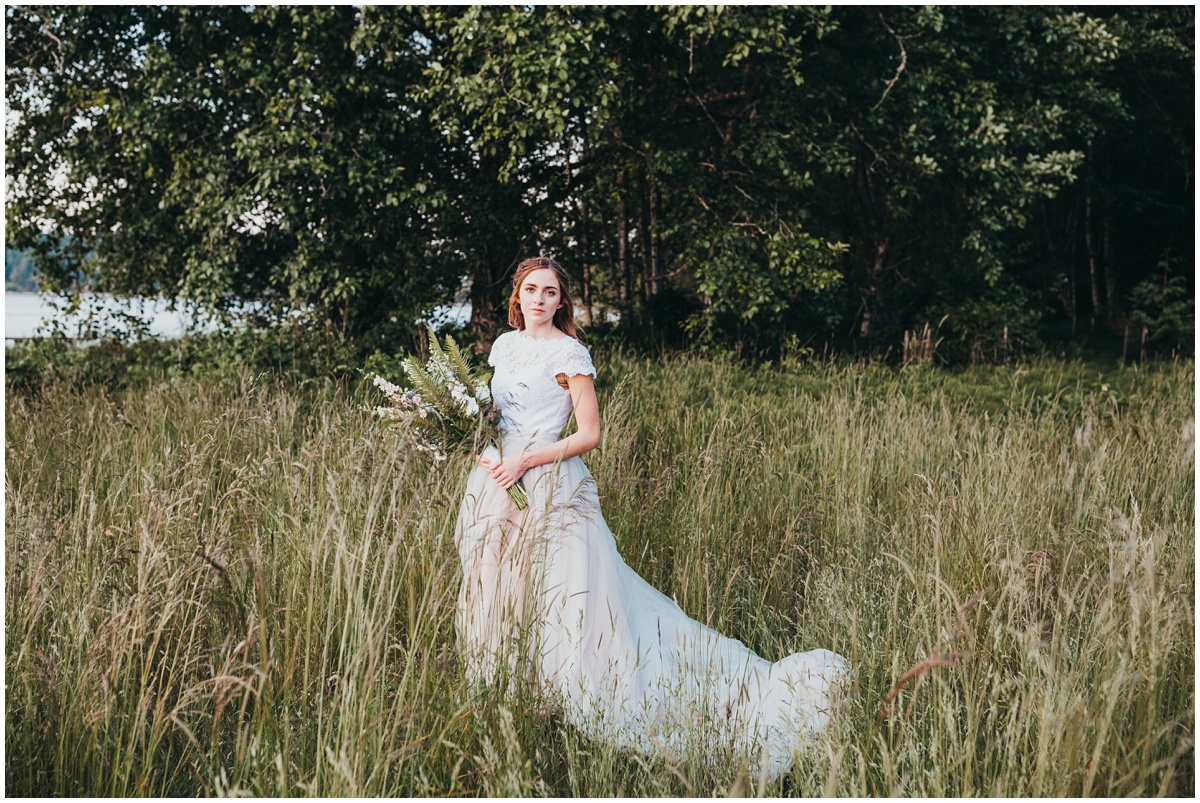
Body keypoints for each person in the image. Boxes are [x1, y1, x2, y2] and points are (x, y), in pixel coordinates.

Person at [454, 255, 849, 779]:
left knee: (563, 591)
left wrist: (527, 458)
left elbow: (590, 433)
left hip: (549, 479)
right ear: (517, 297)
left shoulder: (571, 352)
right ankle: (518, 686)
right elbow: (500, 414)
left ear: (562, 301)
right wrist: (484, 448)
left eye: (550, 292)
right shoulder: (503, 347)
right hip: (501, 479)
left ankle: (569, 688)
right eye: (531, 289)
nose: (540, 299)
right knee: (503, 584)